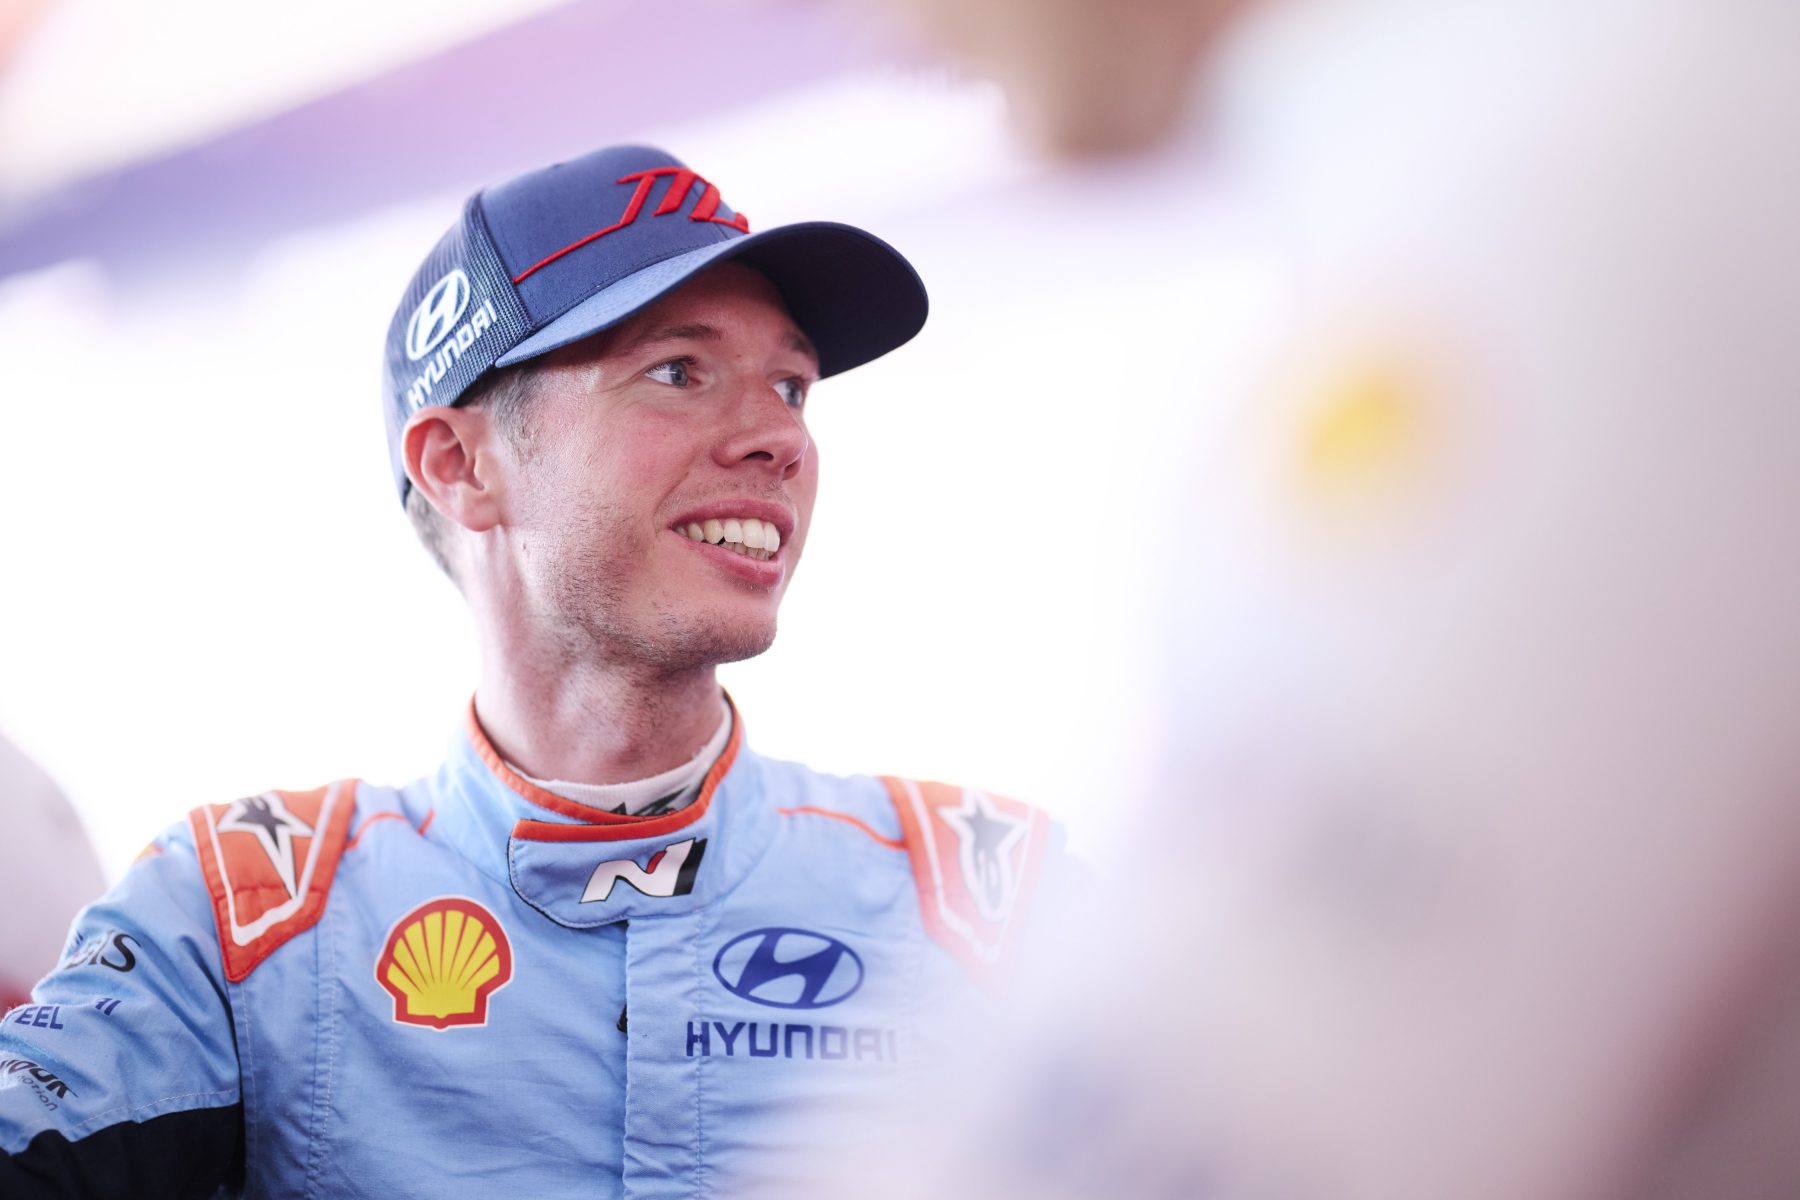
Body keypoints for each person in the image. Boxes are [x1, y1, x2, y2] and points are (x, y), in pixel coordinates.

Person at [0, 144, 1063, 1198]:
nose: (779, 438)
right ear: (460, 465)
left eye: (791, 385)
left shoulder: (995, 893)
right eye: (678, 371)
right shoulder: (241, 915)